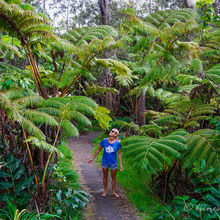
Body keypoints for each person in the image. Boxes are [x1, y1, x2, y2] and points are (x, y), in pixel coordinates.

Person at [88, 128, 123, 198]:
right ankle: (105, 191)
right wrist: (92, 158)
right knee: (105, 176)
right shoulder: (104, 140)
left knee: (113, 177)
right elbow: (98, 150)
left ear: (115, 134)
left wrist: (121, 165)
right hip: (105, 162)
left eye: (113, 131)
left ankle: (113, 192)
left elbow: (119, 153)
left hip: (113, 163)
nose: (111, 132)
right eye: (111, 130)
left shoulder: (117, 143)